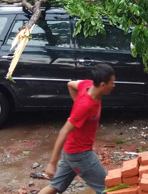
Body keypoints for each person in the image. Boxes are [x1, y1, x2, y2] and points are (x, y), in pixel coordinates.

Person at [38, 64, 116, 194]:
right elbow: (64, 131)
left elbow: (70, 84)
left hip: (70, 151)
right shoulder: (86, 106)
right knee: (108, 187)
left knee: (55, 186)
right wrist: (52, 163)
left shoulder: (87, 85)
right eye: (112, 82)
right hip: (80, 154)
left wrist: (77, 102)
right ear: (103, 85)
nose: (114, 85)